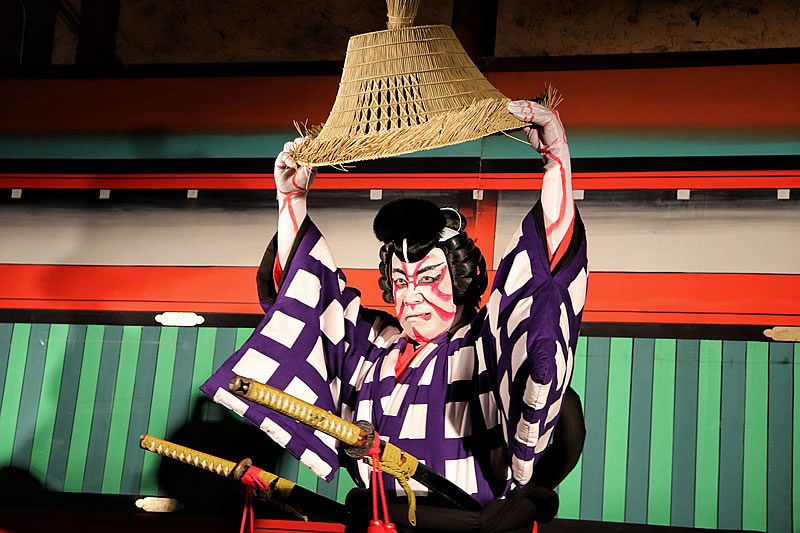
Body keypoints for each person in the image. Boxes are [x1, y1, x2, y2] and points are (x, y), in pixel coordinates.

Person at [200, 100, 588, 532]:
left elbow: (542, 281)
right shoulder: (373, 344)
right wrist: (291, 199)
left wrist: (555, 162)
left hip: (467, 523)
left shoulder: (487, 342)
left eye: (430, 277)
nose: (412, 295)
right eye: (401, 281)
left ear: (462, 280)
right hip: (373, 519)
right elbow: (304, 296)